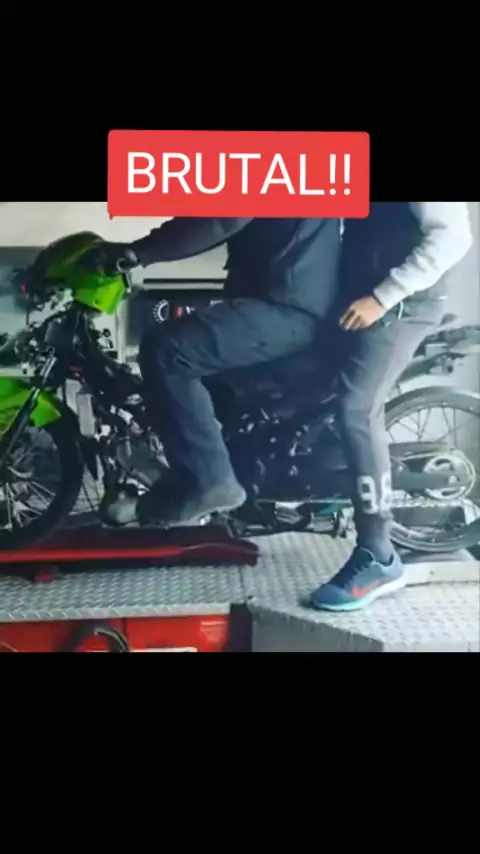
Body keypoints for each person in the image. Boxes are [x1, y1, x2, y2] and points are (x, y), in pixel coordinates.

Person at [80, 217, 341, 526]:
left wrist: (140, 252)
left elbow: (221, 220)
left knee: (168, 352)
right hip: (284, 300)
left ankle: (210, 481)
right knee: (193, 372)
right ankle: (210, 473)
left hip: (287, 307)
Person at [310, 202, 473, 612]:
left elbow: (453, 236)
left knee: (356, 409)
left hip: (399, 306)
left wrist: (382, 297)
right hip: (354, 297)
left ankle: (378, 554)